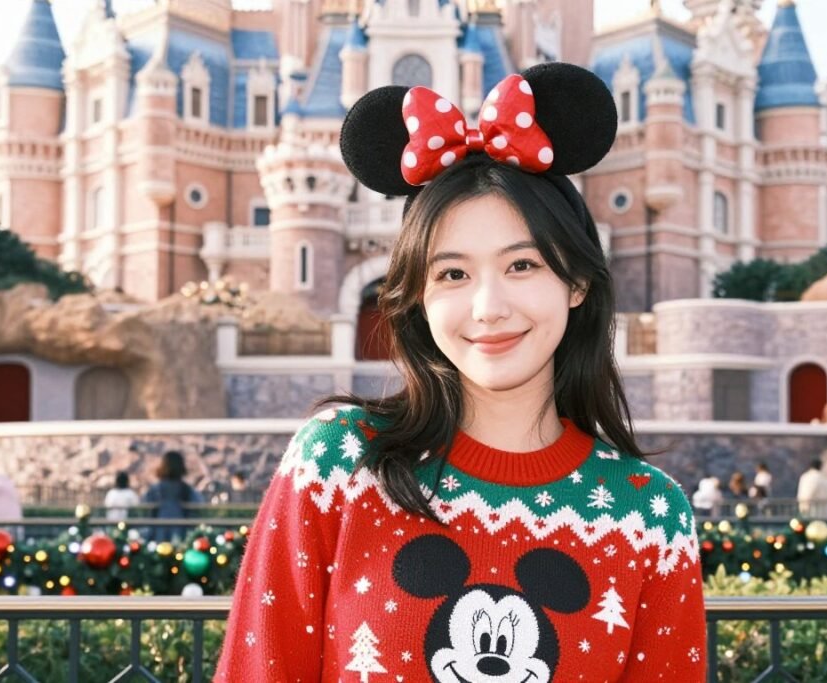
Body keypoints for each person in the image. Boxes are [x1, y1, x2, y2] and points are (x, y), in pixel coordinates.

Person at [216, 64, 706, 681]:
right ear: (418, 296)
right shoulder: (338, 464)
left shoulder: (649, 515)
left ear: (577, 280)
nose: (488, 307)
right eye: (452, 274)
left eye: (522, 265)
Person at [143, 451, 202, 542]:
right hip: (180, 525)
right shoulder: (186, 489)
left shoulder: (156, 489)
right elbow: (198, 505)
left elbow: (146, 507)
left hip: (160, 526)